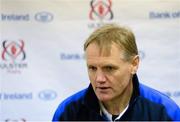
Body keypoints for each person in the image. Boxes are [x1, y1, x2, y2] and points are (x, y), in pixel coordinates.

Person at [52, 24, 180, 121]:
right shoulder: (68, 113)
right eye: (92, 68)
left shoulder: (165, 112)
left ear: (134, 64)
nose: (99, 79)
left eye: (109, 68)